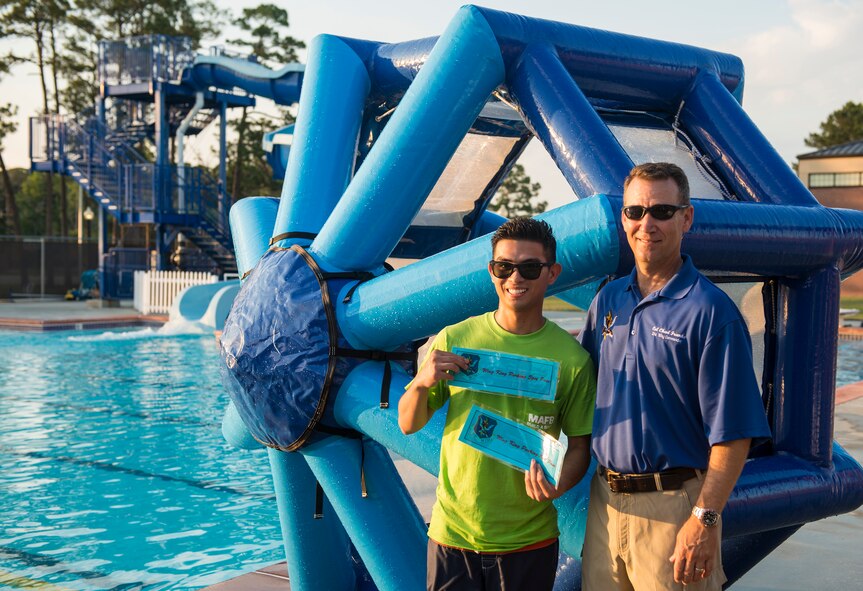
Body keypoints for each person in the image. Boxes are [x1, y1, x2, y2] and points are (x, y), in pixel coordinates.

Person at [578, 162, 772, 590]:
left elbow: (734, 434)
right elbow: (580, 391)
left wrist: (703, 520)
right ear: (623, 218)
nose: (646, 224)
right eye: (635, 212)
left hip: (675, 508)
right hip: (605, 504)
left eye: (662, 211)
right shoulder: (609, 299)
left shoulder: (711, 312)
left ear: (687, 218)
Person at [399, 217, 596, 591]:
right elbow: (408, 423)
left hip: (528, 539)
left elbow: (581, 448)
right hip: (452, 535)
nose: (515, 278)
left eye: (529, 267)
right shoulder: (456, 338)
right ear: (492, 271)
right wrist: (423, 383)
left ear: (552, 273)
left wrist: (557, 485)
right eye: (504, 266)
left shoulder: (573, 360)